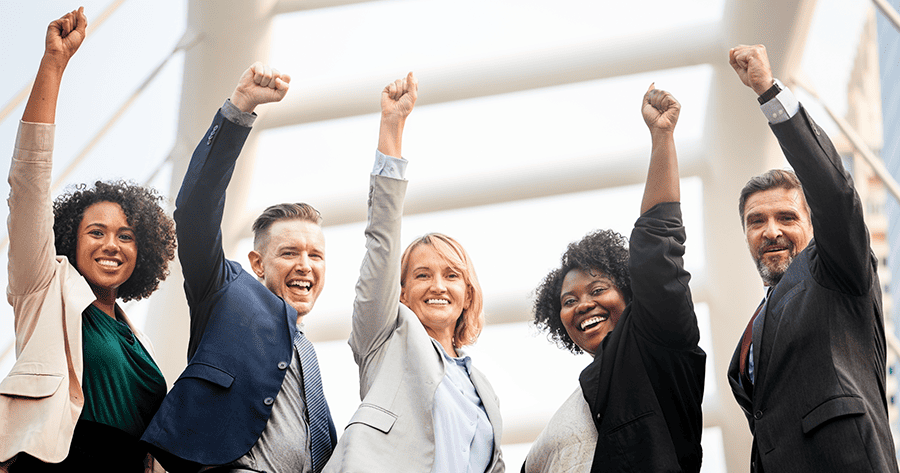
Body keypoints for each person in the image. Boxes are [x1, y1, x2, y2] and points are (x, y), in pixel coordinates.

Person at [0, 8, 177, 472]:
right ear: (70, 241)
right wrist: (54, 65)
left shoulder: (140, 341)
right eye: (95, 232)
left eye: (125, 236)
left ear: (144, 253)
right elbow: (29, 184)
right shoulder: (44, 287)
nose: (111, 245)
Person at [140, 64, 337, 473]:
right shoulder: (226, 291)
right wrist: (240, 109)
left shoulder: (306, 352)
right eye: (289, 253)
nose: (304, 265)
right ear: (256, 263)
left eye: (315, 256)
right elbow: (195, 213)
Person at [726, 44, 898, 472]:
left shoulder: (835, 271)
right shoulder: (754, 328)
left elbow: (835, 193)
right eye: (756, 221)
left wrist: (769, 93)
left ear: (813, 224)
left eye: (786, 216)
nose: (771, 231)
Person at [322, 73, 504, 472]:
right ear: (401, 292)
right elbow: (382, 240)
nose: (438, 285)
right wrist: (393, 126)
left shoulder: (482, 387)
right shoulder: (386, 337)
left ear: (468, 295)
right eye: (422, 275)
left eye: (452, 276)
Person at [525, 85, 705, 472]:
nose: (582, 304)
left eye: (597, 289)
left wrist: (662, 138)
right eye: (568, 301)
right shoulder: (578, 398)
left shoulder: (657, 350)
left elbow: (658, 247)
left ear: (630, 294)